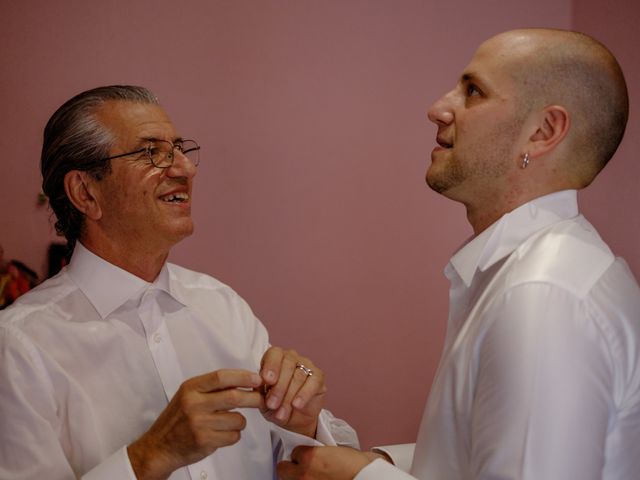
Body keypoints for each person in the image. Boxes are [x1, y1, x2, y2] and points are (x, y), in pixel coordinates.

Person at [277, 28, 640, 480]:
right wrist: (382, 464)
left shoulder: (543, 294)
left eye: (473, 92)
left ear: (543, 131)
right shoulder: (534, 272)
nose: (438, 108)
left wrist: (361, 479)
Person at [0, 86, 358, 479]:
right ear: (86, 192)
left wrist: (303, 422)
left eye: (180, 149)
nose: (186, 169)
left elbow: (303, 462)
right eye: (152, 152)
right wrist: (149, 456)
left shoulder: (222, 305)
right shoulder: (19, 348)